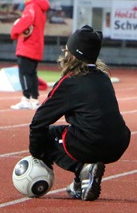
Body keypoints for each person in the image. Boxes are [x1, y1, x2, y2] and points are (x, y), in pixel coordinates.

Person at [28, 25, 131, 201]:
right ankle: (81, 182)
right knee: (79, 129)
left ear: (73, 55)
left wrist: (37, 156)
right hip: (120, 142)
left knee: (47, 135)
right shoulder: (103, 77)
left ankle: (81, 169)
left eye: (67, 51)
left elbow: (39, 121)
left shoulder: (71, 82)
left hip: (93, 142)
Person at [9, 0, 50, 110]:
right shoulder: (41, 8)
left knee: (24, 73)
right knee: (32, 73)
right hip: (37, 45)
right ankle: (34, 99)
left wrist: (15, 31)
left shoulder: (31, 6)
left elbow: (27, 21)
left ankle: (26, 98)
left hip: (28, 45)